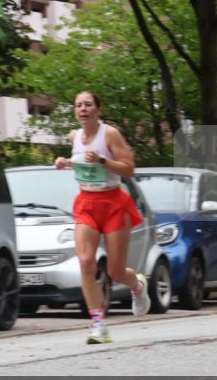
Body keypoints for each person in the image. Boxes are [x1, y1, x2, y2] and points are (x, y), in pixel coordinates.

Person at [54, 91, 150, 344]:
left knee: (115, 271)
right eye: (78, 105)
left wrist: (103, 159)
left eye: (88, 104)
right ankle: (98, 325)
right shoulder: (74, 136)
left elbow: (129, 168)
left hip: (114, 203)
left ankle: (137, 285)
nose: (83, 109)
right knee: (86, 263)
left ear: (98, 109)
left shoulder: (110, 134)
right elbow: (83, 165)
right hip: (86, 203)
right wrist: (66, 163)